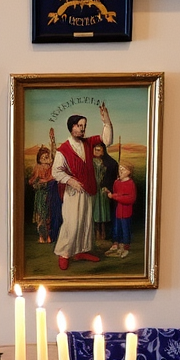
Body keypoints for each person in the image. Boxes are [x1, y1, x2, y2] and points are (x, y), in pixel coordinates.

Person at [52, 105, 114, 270]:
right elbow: (56, 171)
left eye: (84, 126)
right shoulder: (63, 149)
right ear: (71, 126)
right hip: (73, 192)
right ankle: (65, 253)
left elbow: (107, 140)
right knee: (72, 222)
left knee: (86, 221)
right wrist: (71, 181)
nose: (82, 129)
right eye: (79, 125)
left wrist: (106, 121)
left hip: (88, 189)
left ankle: (80, 251)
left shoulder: (88, 143)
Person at [103, 163, 137, 258]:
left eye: (124, 169)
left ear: (129, 172)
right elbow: (116, 193)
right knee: (116, 228)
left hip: (126, 211)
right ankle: (116, 244)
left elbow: (130, 198)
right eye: (120, 168)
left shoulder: (130, 183)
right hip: (118, 210)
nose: (121, 171)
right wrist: (110, 194)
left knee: (125, 229)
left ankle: (125, 246)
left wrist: (114, 196)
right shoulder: (116, 182)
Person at [29, 146, 61, 243]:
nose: (45, 159)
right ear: (39, 159)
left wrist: (47, 182)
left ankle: (48, 236)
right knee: (41, 217)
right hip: (40, 197)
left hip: (50, 195)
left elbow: (53, 178)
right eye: (43, 158)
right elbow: (33, 181)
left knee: (49, 217)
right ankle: (41, 236)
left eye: (47, 157)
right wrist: (39, 183)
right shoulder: (38, 168)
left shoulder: (51, 168)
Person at [91, 141, 113, 244]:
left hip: (103, 190)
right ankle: (96, 233)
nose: (96, 151)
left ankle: (103, 233)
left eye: (99, 150)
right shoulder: (91, 161)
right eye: (95, 149)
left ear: (103, 151)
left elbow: (110, 175)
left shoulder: (107, 162)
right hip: (94, 190)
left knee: (103, 212)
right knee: (95, 211)